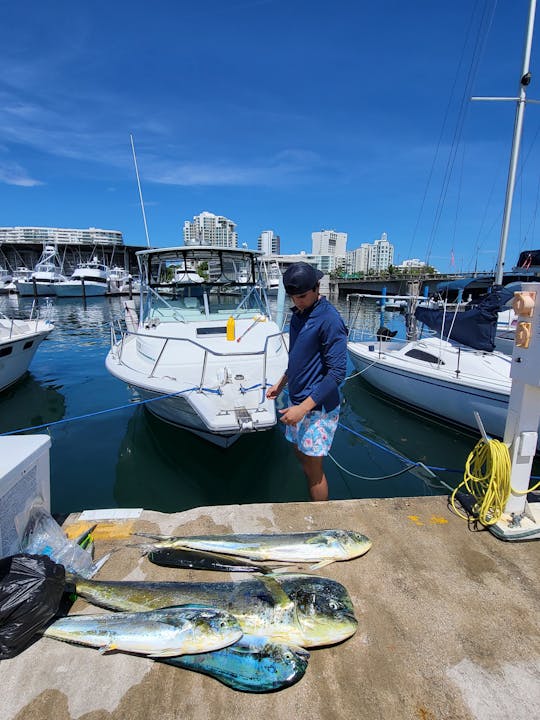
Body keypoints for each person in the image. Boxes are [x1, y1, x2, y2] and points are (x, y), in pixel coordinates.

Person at [266, 262, 348, 501]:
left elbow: (337, 373)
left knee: (314, 472)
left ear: (316, 288)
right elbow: (297, 357)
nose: (297, 302)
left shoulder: (329, 320)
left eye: (302, 296)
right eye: (293, 297)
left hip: (316, 408)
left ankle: (320, 523)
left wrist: (302, 409)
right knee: (302, 458)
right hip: (296, 401)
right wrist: (281, 384)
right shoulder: (299, 315)